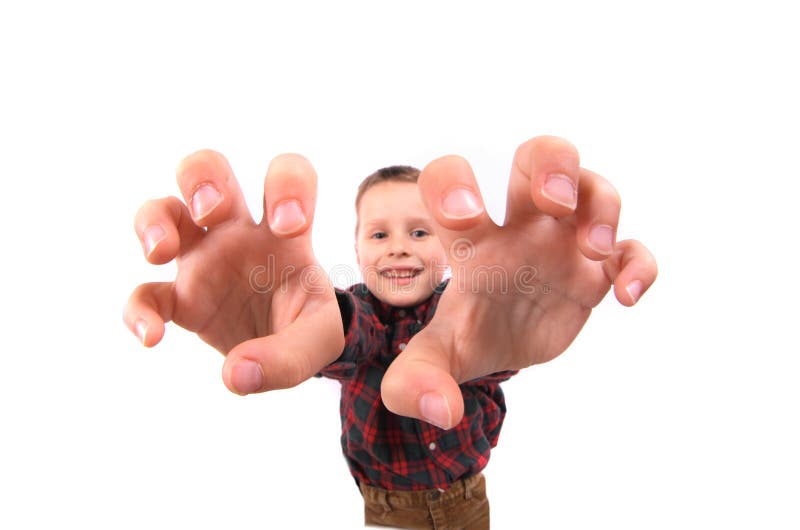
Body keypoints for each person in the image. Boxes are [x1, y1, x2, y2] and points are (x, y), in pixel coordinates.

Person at [124, 136, 657, 529]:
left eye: (420, 231)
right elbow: (347, 337)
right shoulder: (353, 311)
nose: (399, 247)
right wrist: (300, 324)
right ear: (357, 251)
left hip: (468, 498)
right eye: (380, 234)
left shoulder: (470, 307)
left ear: (449, 248)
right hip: (387, 509)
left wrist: (510, 316)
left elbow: (494, 350)